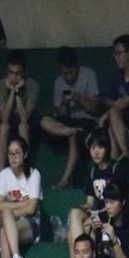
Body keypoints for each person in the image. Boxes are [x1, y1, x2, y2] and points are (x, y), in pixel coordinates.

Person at [66, 129, 129, 258]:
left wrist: (97, 216)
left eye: (100, 147)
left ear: (107, 149)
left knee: (72, 234)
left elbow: (118, 200)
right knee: (74, 213)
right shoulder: (92, 171)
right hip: (98, 213)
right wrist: (87, 208)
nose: (96, 152)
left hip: (112, 213)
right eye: (93, 147)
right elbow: (90, 202)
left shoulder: (115, 168)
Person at [39, 48, 100, 189]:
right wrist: (63, 104)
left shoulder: (89, 74)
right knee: (43, 120)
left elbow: (96, 109)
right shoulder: (59, 83)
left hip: (87, 121)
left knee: (73, 135)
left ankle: (64, 180)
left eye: (71, 72)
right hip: (68, 122)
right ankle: (71, 130)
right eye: (64, 73)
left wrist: (79, 98)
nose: (68, 77)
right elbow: (62, 114)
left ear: (77, 66)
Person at [0, 52, 39, 171]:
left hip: (29, 123)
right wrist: (12, 93)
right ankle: (1, 172)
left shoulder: (33, 85)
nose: (14, 77)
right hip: (9, 121)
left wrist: (18, 93)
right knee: (3, 126)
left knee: (23, 126)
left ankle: (25, 169)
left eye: (18, 73)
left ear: (23, 73)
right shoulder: (0, 85)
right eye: (10, 72)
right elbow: (4, 117)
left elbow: (25, 118)